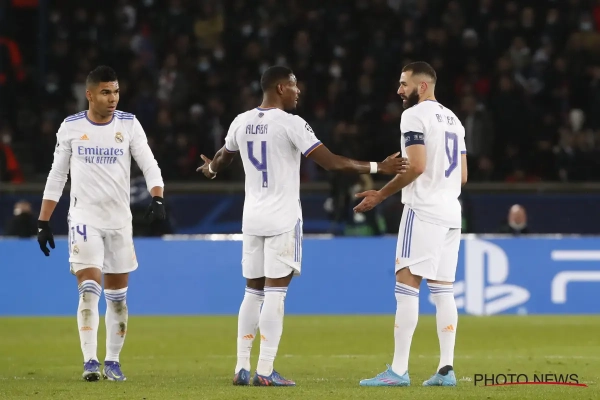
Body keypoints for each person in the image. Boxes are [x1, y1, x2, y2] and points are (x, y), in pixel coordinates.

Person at [197, 65, 409, 387]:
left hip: (251, 218)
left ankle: (241, 366)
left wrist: (211, 169)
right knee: (275, 293)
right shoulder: (291, 123)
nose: (299, 91)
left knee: (252, 292)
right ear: (280, 88)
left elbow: (224, 156)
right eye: (294, 86)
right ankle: (265, 370)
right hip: (282, 219)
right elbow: (332, 162)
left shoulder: (241, 121)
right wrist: (378, 166)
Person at [37, 66, 166, 382]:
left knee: (118, 299)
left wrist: (158, 197)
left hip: (119, 222)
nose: (113, 98)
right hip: (85, 219)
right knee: (89, 290)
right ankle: (90, 361)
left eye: (116, 91)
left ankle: (113, 362)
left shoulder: (129, 124)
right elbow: (57, 175)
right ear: (90, 94)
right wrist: (43, 220)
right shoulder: (71, 127)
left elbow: (149, 163)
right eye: (106, 92)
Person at [354, 61, 468, 387]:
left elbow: (416, 166)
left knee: (406, 286)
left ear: (422, 86)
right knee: (443, 290)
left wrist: (381, 194)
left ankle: (399, 371)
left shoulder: (414, 116)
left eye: (404, 84)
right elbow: (462, 175)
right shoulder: (454, 120)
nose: (399, 90)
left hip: (424, 210)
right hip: (451, 213)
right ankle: (446, 369)